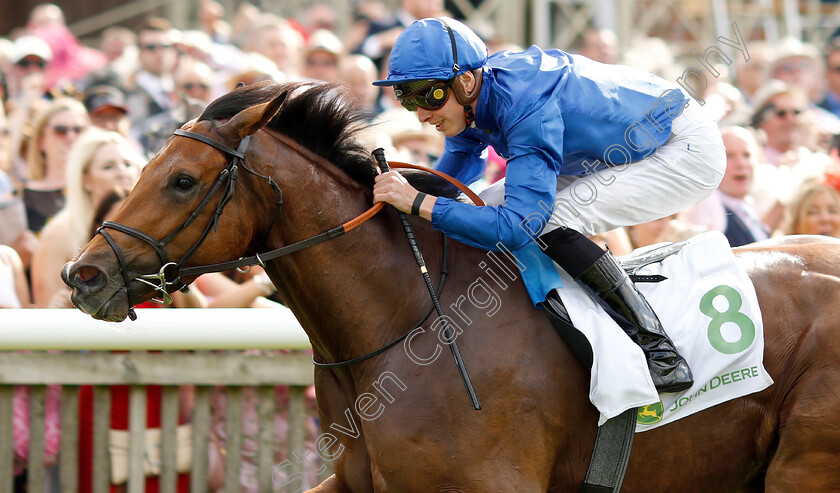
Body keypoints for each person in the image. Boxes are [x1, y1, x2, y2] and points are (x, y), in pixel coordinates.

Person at [372, 18, 726, 392]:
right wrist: (409, 199)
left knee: (547, 220)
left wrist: (419, 202)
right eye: (407, 98)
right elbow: (458, 176)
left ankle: (658, 350)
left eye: (429, 96)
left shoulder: (524, 103)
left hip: (682, 147)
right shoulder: (475, 96)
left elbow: (517, 225)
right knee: (484, 202)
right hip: (618, 146)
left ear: (465, 82)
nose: (422, 113)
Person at [30, 128, 142, 307]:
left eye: (127, 164)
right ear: (86, 180)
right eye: (108, 166)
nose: (122, 173)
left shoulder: (156, 231)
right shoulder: (58, 235)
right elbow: (46, 312)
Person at [684, 126, 771, 246]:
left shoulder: (749, 206)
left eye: (747, 155)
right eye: (729, 156)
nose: (741, 164)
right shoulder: (707, 201)